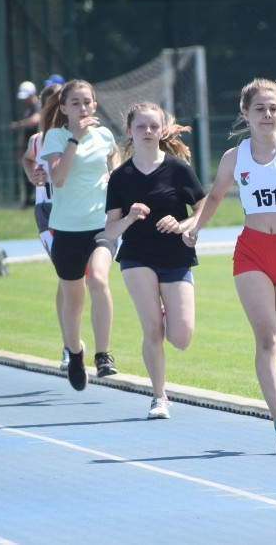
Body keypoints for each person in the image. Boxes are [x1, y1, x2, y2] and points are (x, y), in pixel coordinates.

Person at [183, 78, 276, 448]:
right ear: (245, 113)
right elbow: (215, 195)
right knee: (266, 338)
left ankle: (275, 390)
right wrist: (195, 227)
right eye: (260, 109)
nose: (267, 115)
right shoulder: (235, 157)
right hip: (251, 252)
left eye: (273, 108)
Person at [99, 102, 206, 419]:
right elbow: (110, 230)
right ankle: (159, 397)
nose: (147, 131)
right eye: (141, 126)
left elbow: (203, 209)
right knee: (153, 331)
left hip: (175, 255)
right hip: (136, 257)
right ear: (129, 131)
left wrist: (184, 225)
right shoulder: (121, 177)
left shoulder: (178, 169)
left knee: (181, 337)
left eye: (153, 126)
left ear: (162, 130)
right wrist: (130, 217)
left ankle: (166, 311)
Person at [40, 79, 121, 391]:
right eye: (75, 103)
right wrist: (75, 139)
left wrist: (115, 173)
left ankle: (103, 355)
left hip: (101, 227)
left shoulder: (105, 136)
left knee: (99, 280)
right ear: (64, 108)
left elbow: (115, 164)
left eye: (87, 102)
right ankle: (76, 354)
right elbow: (57, 179)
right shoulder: (56, 137)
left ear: (95, 105)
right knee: (73, 301)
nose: (83, 108)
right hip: (66, 229)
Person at [21, 83, 73, 371]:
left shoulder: (82, 137)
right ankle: (69, 345)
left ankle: (73, 340)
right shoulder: (38, 140)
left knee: (82, 280)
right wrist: (33, 175)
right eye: (53, 104)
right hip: (49, 212)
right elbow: (29, 161)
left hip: (82, 213)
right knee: (66, 276)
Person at [11, 81, 42, 207]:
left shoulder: (37, 106)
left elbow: (36, 120)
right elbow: (25, 134)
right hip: (29, 147)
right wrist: (20, 149)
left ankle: (36, 199)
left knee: (39, 172)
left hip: (38, 146)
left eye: (26, 97)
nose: (24, 100)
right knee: (27, 173)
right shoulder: (27, 110)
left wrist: (18, 124)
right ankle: (29, 200)